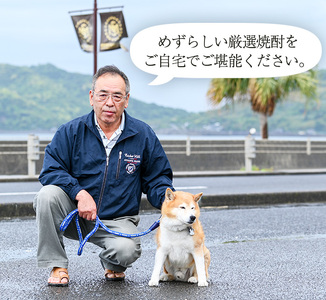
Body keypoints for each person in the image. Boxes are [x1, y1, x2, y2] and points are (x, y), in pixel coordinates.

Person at [33, 65, 174, 286]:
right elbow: (51, 169)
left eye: (117, 96)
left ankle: (112, 262)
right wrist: (79, 193)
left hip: (117, 219)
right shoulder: (71, 131)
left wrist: (170, 202)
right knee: (46, 195)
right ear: (92, 97)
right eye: (103, 95)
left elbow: (157, 178)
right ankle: (57, 264)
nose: (110, 102)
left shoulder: (143, 134)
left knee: (127, 251)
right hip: (75, 214)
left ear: (126, 100)